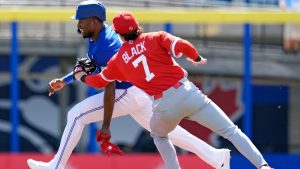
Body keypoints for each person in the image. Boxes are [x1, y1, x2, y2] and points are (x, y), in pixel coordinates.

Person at [27, 1, 231, 169]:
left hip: (125, 92)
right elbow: (90, 68)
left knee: (76, 115)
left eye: (81, 20)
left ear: (94, 21)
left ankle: (56, 166)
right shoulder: (96, 36)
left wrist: (106, 126)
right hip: (136, 92)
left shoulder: (107, 45)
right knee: (169, 133)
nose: (78, 24)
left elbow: (109, 86)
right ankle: (216, 156)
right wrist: (65, 80)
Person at [74, 11, 274, 169]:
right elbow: (184, 46)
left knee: (159, 136)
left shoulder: (117, 61)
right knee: (231, 131)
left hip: (163, 105)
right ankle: (262, 165)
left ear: (118, 34)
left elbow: (99, 81)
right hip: (188, 93)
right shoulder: (155, 37)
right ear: (137, 27)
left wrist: (81, 76)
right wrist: (196, 58)